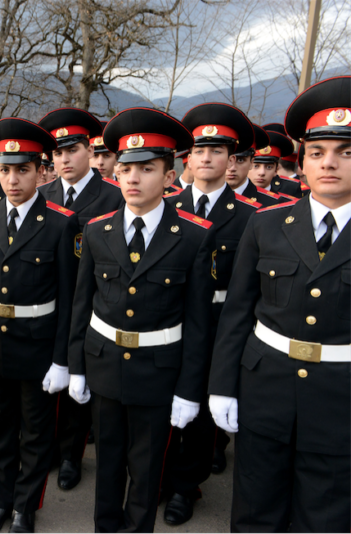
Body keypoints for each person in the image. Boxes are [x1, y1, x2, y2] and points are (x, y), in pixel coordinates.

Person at [209, 75, 351, 533]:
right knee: (255, 508)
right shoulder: (265, 224)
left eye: (345, 153)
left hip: (340, 400)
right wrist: (221, 386)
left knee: (324, 514)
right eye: (317, 152)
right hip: (265, 388)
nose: (329, 164)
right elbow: (237, 313)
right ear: (303, 161)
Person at [68, 107, 215, 533]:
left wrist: (190, 391)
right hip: (104, 364)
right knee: (108, 462)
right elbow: (83, 304)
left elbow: (198, 322)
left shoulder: (193, 235)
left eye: (146, 168)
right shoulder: (97, 230)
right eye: (125, 167)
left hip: (158, 371)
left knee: (147, 469)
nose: (132, 178)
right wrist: (76, 366)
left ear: (170, 177)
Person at [0, 118, 79, 534]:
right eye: (6, 168)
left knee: (35, 433)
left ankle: (24, 507)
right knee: (1, 429)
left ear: (41, 172)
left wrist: (61, 360)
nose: (12, 179)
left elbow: (69, 299)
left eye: (23, 170)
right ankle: (1, 500)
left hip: (38, 346)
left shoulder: (62, 224)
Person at [160, 103, 262, 525]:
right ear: (187, 157)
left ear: (232, 159)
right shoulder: (165, 204)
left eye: (217, 150)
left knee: (201, 412)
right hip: (168, 319)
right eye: (199, 149)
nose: (206, 157)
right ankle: (160, 475)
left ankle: (187, 485)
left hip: (220, 324)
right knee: (162, 403)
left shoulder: (252, 217)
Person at [38, 107, 125, 492]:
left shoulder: (114, 196)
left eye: (71, 150)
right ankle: (50, 450)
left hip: (92, 304)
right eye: (56, 153)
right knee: (47, 384)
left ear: (89, 150)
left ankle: (72, 454)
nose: (63, 159)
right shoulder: (43, 195)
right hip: (49, 304)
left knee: (79, 385)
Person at [224, 124, 282, 209]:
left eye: (240, 160)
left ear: (251, 162)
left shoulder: (273, 205)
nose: (232, 168)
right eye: (228, 160)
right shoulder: (202, 199)